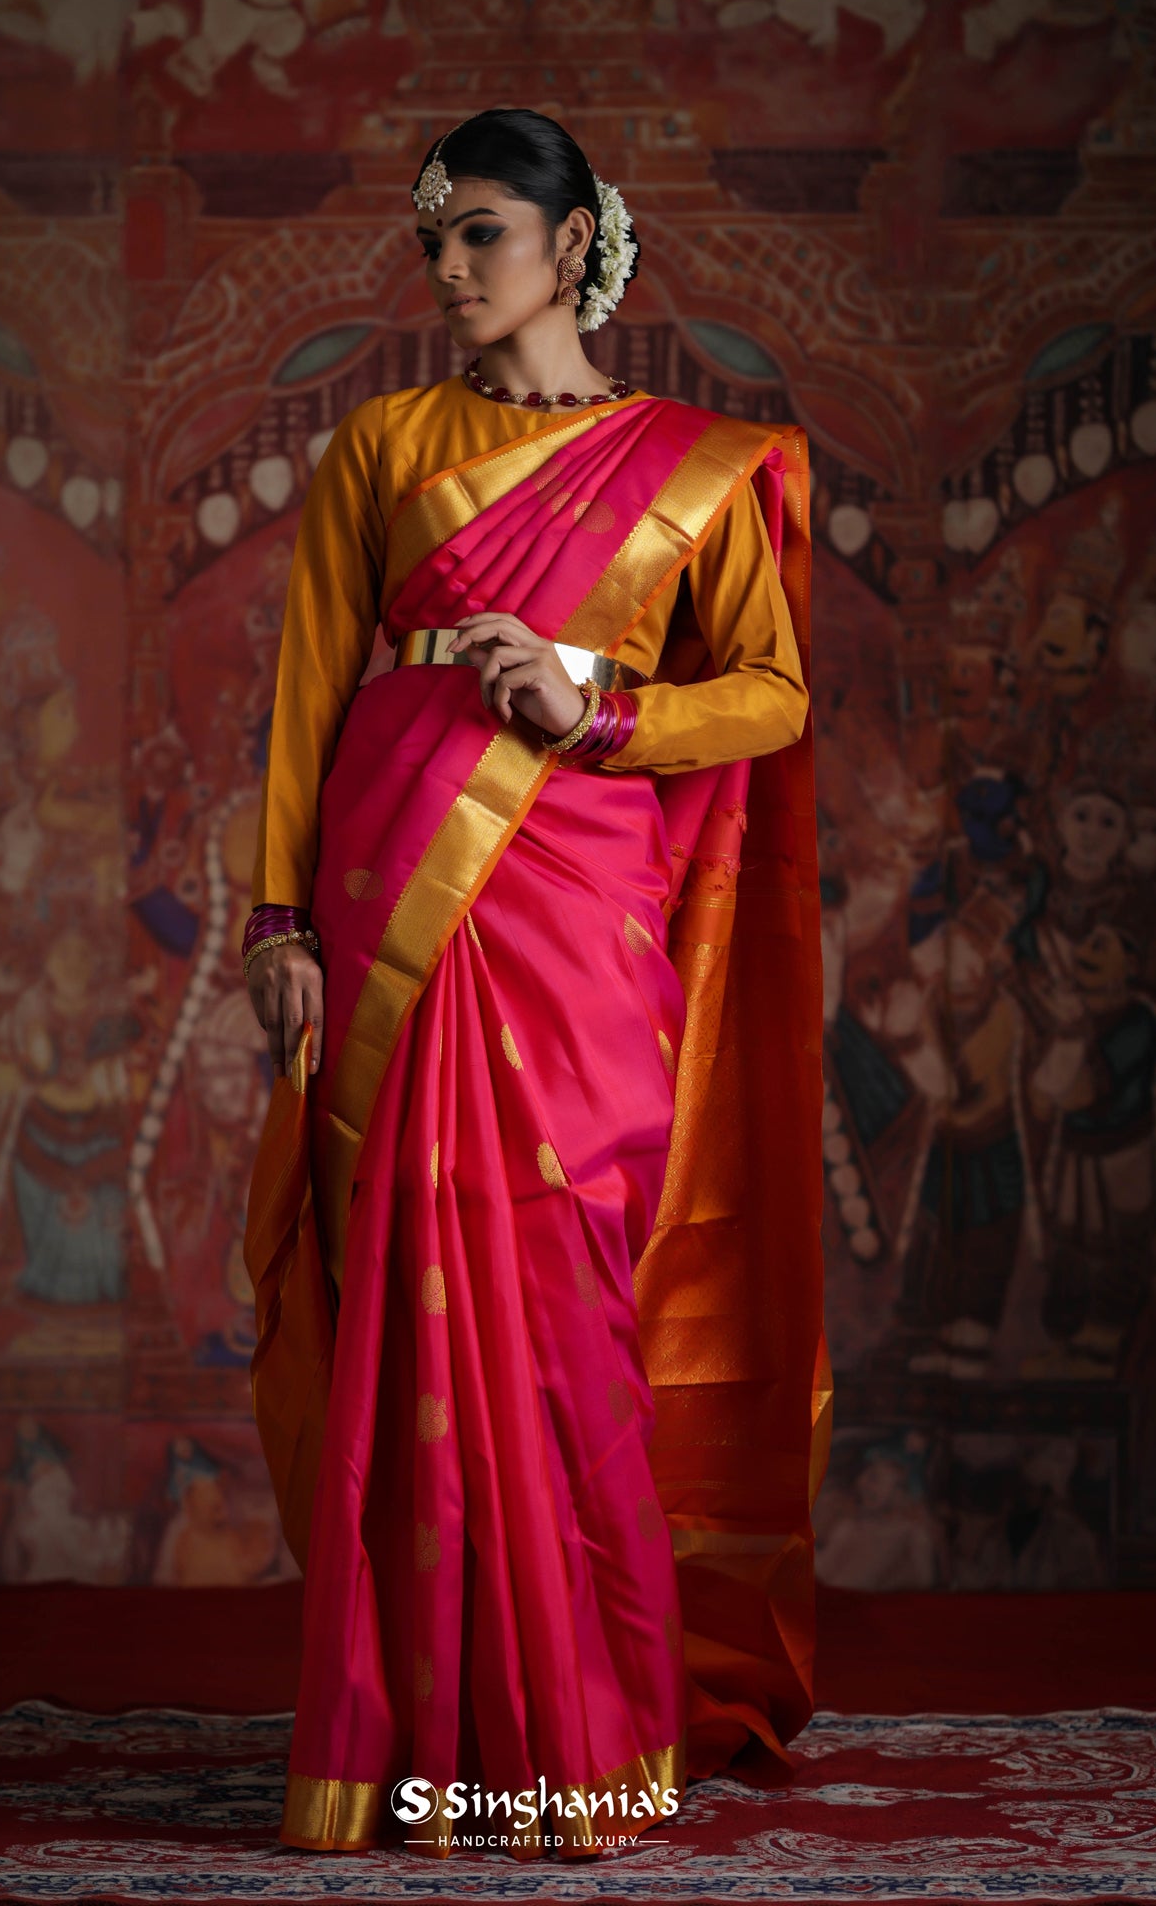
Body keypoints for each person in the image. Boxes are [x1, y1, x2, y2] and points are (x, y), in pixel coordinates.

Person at [241, 107, 827, 1860]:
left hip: (576, 898)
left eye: (480, 232)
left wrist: (598, 712)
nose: (446, 268)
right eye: (431, 238)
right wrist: (276, 925)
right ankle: (419, 1746)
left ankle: (574, 1740)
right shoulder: (382, 443)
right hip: (384, 875)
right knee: (396, 1297)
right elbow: (307, 690)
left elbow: (772, 693)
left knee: (561, 1297)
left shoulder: (700, 465)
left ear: (573, 244)